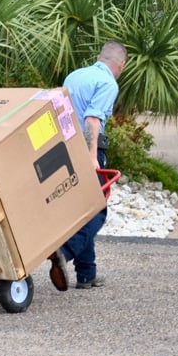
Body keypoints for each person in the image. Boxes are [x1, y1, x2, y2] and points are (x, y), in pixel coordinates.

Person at [48, 40, 127, 291]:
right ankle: (65, 251)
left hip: (66, 148)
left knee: (81, 210)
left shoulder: (75, 76)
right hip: (88, 149)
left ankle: (86, 274)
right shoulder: (108, 83)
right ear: (121, 66)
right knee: (96, 209)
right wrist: (93, 157)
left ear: (98, 57)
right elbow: (92, 119)